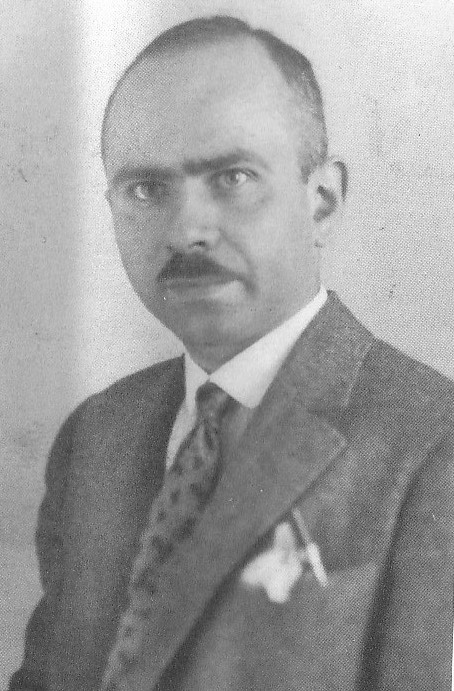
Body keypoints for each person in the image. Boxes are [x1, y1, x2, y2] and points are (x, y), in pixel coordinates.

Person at [10, 15, 453, 691]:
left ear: (323, 202)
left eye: (233, 177)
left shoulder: (431, 442)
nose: (186, 230)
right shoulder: (98, 436)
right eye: (146, 189)